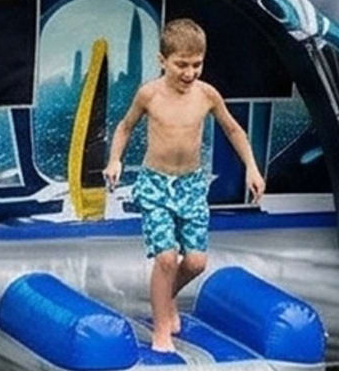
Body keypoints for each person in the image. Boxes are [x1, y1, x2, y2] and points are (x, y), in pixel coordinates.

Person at [103, 18, 265, 353]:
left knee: (195, 263)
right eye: (181, 65)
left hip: (191, 185)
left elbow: (234, 130)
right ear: (162, 61)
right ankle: (162, 329)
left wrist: (251, 167)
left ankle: (164, 298)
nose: (189, 73)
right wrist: (115, 160)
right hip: (156, 184)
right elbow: (124, 126)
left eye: (196, 65)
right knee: (165, 258)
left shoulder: (207, 95)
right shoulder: (149, 94)